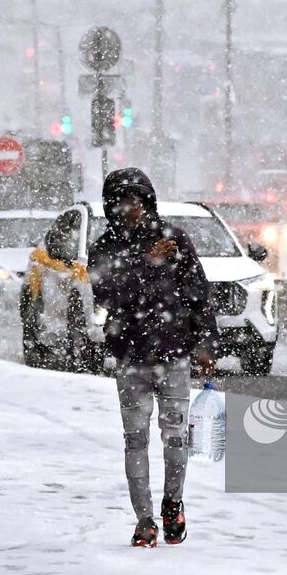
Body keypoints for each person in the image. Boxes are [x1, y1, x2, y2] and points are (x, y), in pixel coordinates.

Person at [88, 167, 217, 548]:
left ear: (149, 201)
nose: (132, 208)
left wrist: (205, 343)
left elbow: (197, 293)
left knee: (175, 438)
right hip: (130, 358)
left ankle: (172, 504)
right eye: (123, 201)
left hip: (173, 355)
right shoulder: (104, 248)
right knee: (135, 439)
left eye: (138, 200)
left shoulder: (175, 240)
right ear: (112, 206)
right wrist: (147, 263)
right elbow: (108, 295)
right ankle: (143, 520)